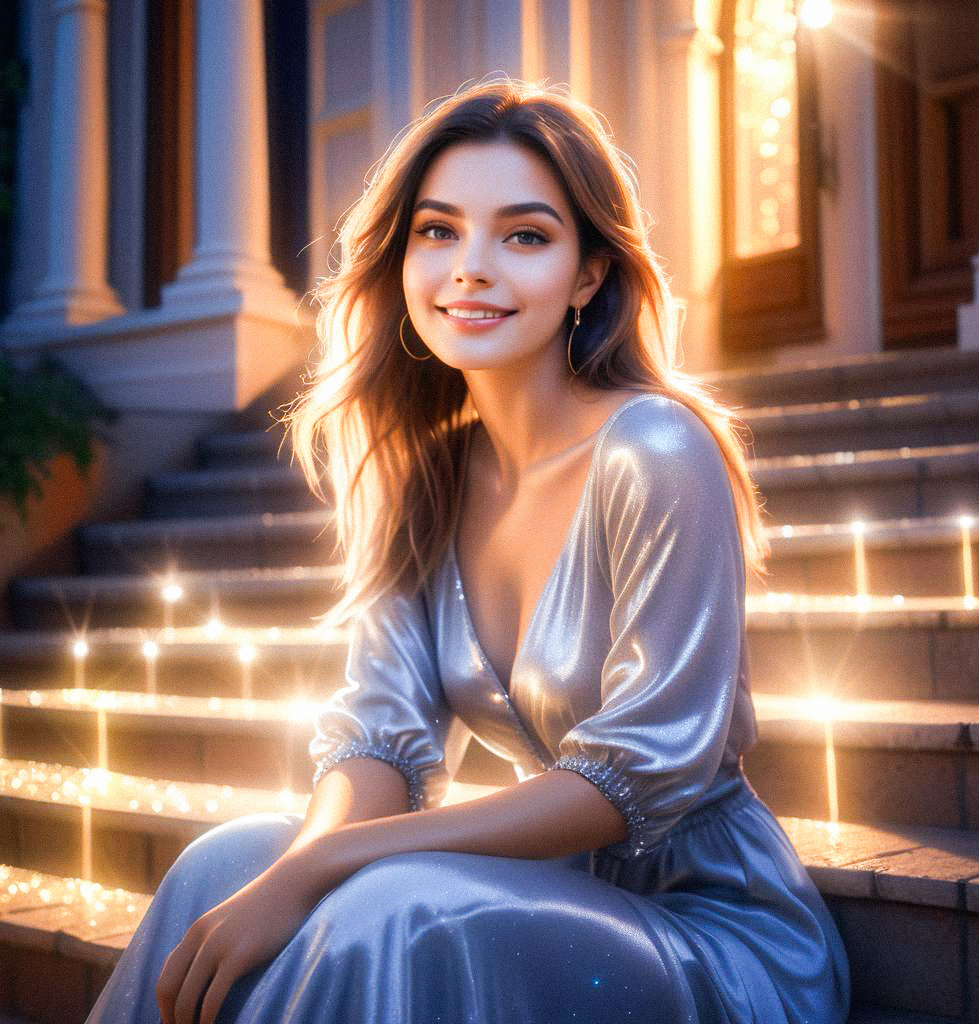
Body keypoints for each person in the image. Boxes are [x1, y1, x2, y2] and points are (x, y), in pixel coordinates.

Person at [85, 75, 850, 1024]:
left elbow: (641, 773)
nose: (470, 268)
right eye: (438, 231)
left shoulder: (655, 449)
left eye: (524, 235)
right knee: (222, 865)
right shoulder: (425, 476)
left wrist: (331, 863)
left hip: (705, 924)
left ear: (588, 274)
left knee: (392, 906)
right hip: (534, 887)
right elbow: (379, 734)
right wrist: (295, 864)